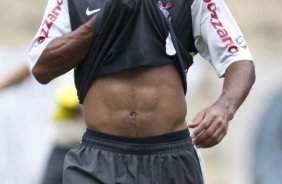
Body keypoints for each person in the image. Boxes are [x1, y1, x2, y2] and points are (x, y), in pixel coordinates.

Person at [28, 0, 255, 183]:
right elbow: (41, 66)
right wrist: (105, 19)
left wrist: (224, 108)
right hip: (98, 161)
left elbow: (239, 60)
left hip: (171, 158)